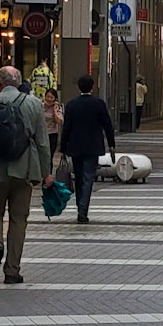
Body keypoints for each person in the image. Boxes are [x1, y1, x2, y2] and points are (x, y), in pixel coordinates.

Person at [0, 65, 54, 285]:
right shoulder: (34, 104)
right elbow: (42, 142)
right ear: (19, 82)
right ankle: (12, 270)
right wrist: (46, 173)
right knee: (19, 219)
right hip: (25, 169)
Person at [61, 75, 118, 223]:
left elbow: (66, 128)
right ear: (92, 87)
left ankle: (80, 206)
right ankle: (83, 210)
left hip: (75, 146)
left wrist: (63, 147)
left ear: (79, 87)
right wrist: (112, 144)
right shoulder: (99, 104)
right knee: (88, 178)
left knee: (79, 178)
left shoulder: (72, 104)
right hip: (93, 146)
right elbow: (107, 125)